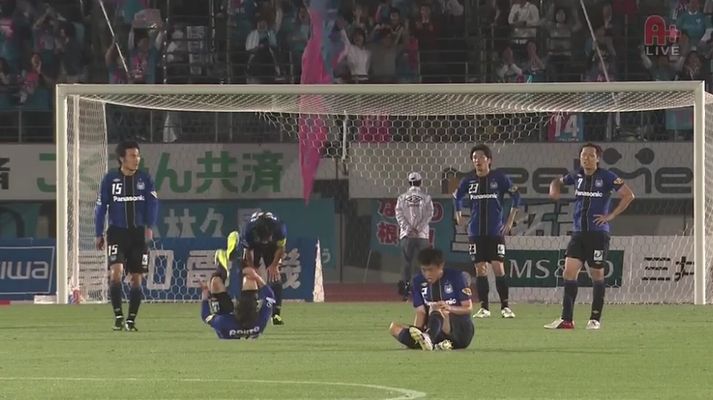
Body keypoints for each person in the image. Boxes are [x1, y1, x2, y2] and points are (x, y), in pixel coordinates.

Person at [545, 143, 634, 330]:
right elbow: (556, 181)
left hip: (598, 234)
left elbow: (628, 195)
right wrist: (554, 189)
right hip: (578, 233)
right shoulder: (576, 175)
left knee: (597, 275)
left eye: (591, 155)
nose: (586, 158)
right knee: (568, 273)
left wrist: (610, 216)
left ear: (598, 158)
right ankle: (567, 319)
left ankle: (594, 319)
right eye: (583, 155)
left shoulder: (607, 176)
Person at [95, 141, 159, 331]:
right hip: (117, 233)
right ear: (122, 158)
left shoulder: (145, 179)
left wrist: (149, 226)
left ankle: (131, 320)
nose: (136, 159)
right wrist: (98, 233)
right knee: (116, 273)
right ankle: (118, 316)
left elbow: (153, 204)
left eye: (138, 155)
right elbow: (101, 207)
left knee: (137, 278)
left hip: (138, 234)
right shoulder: (110, 179)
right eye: (132, 155)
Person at [453, 144, 521, 319]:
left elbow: (516, 196)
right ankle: (484, 308)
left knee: (498, 267)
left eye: (481, 157)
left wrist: (510, 221)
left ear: (489, 160)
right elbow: (457, 196)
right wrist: (458, 215)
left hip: (495, 231)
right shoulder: (468, 180)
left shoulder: (499, 178)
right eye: (474, 158)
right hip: (475, 231)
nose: (477, 161)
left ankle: (505, 307)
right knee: (480, 268)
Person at [389, 248, 474, 351]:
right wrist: (417, 332)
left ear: (440, 266)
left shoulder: (456, 277)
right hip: (435, 330)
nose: (427, 274)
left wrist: (449, 308)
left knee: (436, 308)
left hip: (461, 332)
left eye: (431, 269)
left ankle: (428, 339)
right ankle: (432, 343)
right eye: (424, 270)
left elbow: (468, 308)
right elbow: (421, 312)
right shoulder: (417, 281)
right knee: (394, 328)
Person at [200, 262, 275, 339]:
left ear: (236, 309)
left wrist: (205, 293)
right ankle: (242, 265)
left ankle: (223, 270)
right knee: (250, 279)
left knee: (215, 282)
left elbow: (206, 316)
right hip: (238, 322)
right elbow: (270, 297)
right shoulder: (260, 321)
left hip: (227, 319)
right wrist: (256, 277)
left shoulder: (222, 321)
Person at [242, 212, 288, 325]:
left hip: (273, 248)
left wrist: (274, 265)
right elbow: (248, 251)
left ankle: (276, 314)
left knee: (275, 276)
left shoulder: (279, 228)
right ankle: (250, 310)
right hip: (254, 246)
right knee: (249, 275)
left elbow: (281, 248)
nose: (265, 242)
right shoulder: (248, 231)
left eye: (267, 239)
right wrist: (252, 268)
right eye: (263, 239)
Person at [395, 172, 434, 301]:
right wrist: (419, 228)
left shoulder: (402, 198)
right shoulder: (426, 197)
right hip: (422, 235)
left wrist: (408, 228)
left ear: (409, 182)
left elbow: (399, 214)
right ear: (420, 182)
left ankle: (406, 291)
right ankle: (424, 289)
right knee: (424, 262)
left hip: (407, 235)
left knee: (406, 263)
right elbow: (429, 214)